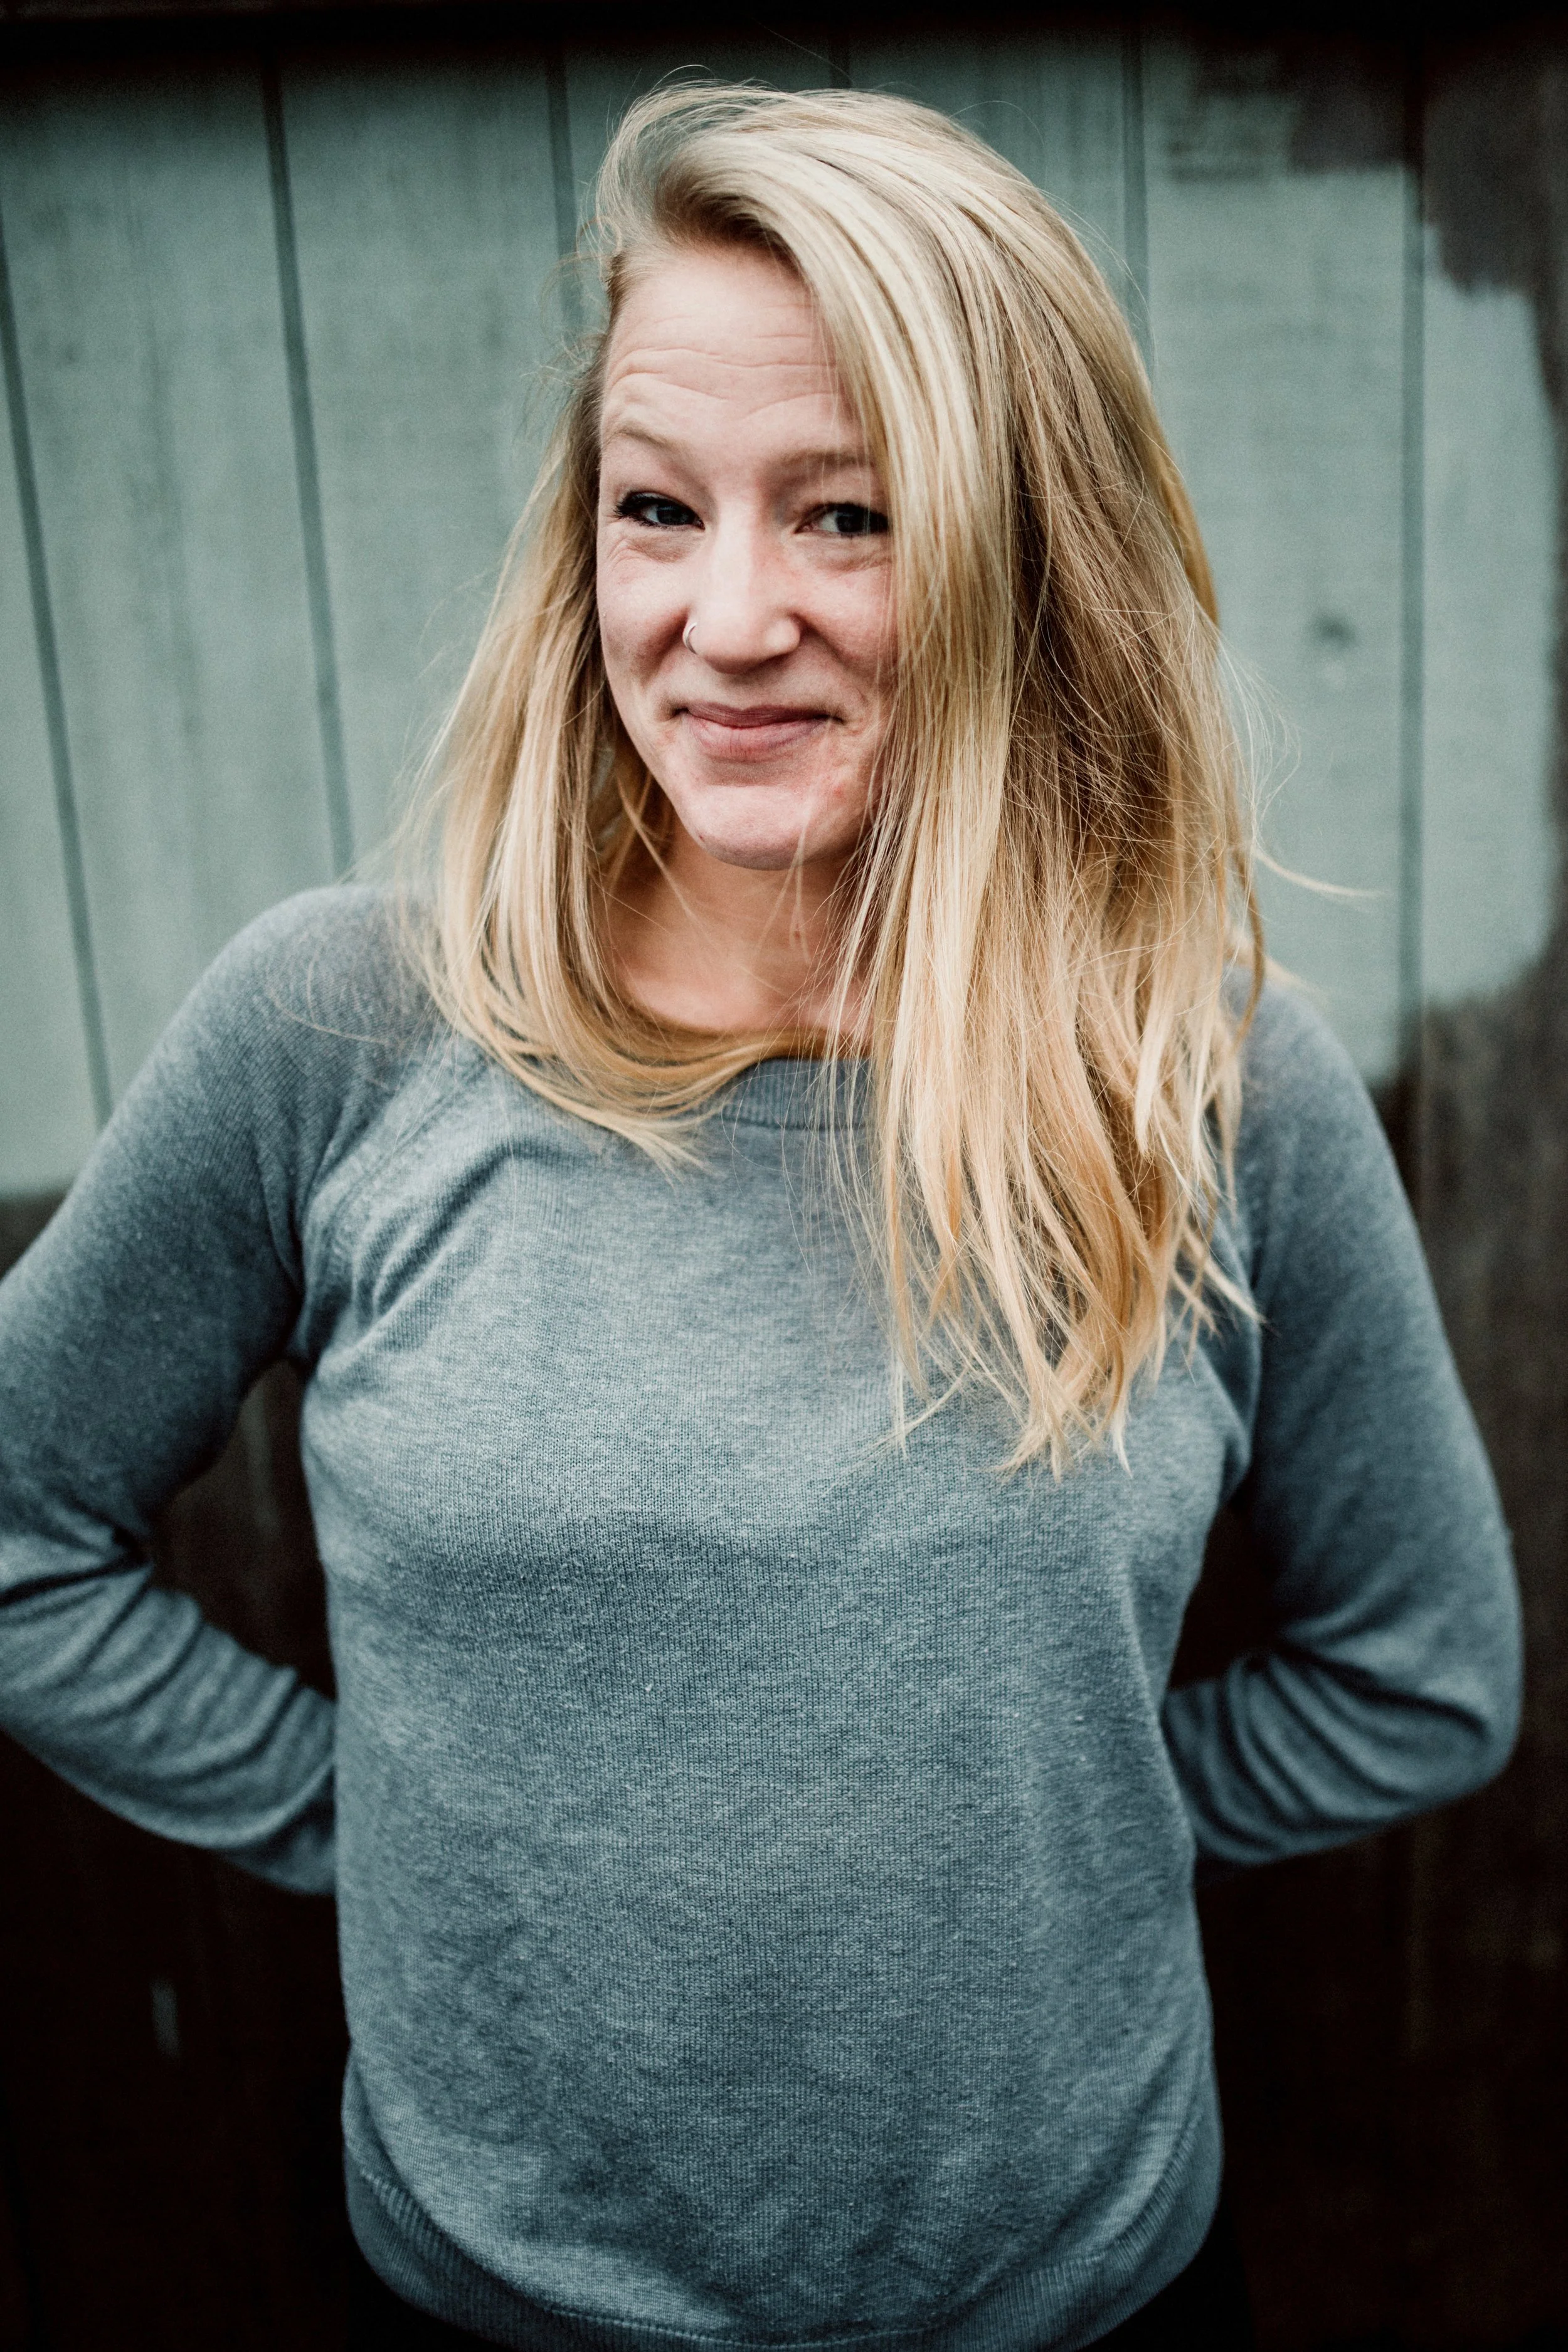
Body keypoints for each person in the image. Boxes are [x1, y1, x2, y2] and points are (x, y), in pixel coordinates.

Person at [0, 82, 1520, 2352]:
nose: (725, 618)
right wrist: (400, 1831)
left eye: (844, 516)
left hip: (1081, 2301)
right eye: (655, 506)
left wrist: (1046, 1834)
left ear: (1024, 551)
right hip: (482, 2304)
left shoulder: (1199, 1080)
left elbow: (1420, 1679)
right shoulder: (343, 1032)